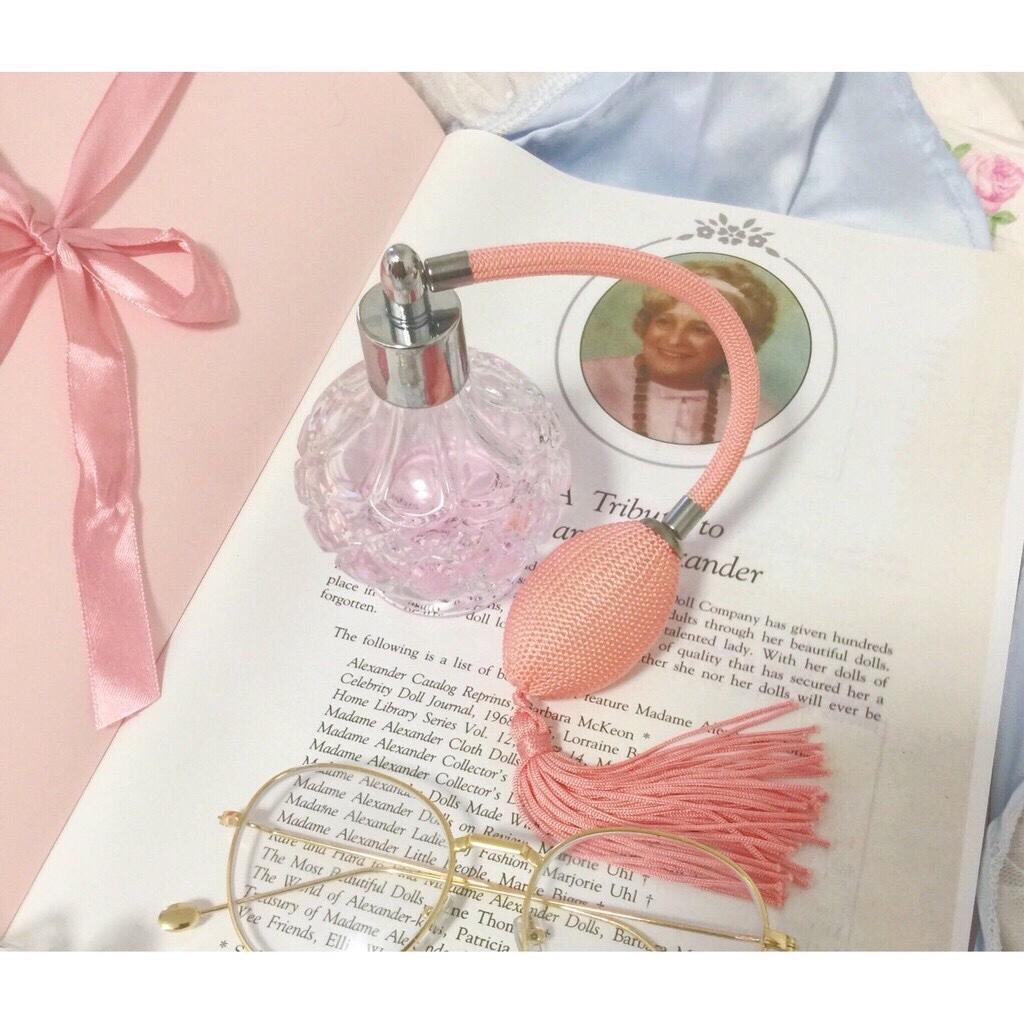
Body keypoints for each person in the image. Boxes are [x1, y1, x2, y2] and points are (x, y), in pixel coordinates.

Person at [582, 260, 778, 444]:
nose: (674, 340)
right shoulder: (591, 380)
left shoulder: (756, 415)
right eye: (664, 322)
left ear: (734, 344)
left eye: (700, 330)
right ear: (646, 324)